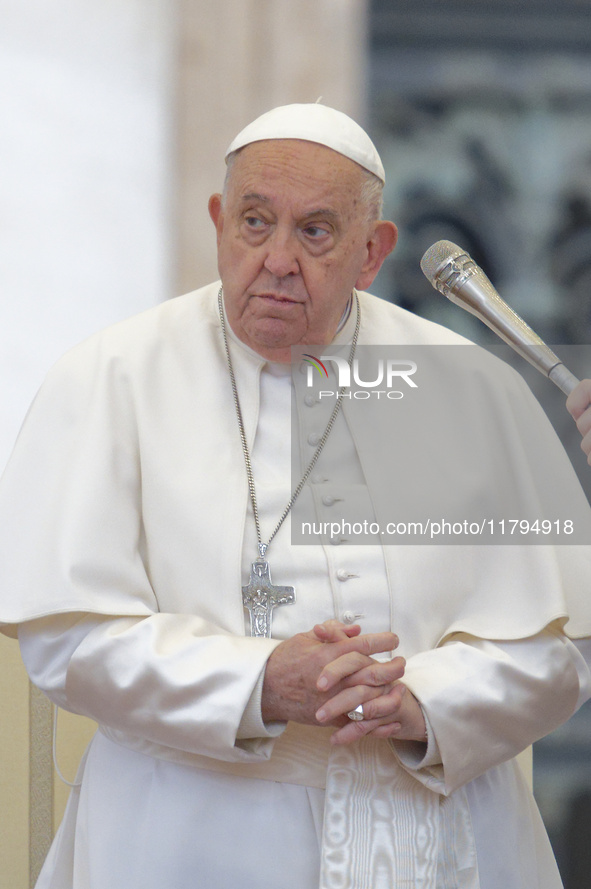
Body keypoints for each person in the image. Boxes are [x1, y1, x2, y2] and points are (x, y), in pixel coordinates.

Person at [1, 103, 591, 889]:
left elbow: (559, 649)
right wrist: (257, 681)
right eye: (254, 221)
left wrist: (426, 702)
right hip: (189, 840)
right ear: (217, 222)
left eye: (314, 231)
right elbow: (66, 639)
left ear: (372, 251)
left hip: (440, 841)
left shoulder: (476, 388)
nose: (277, 258)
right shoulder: (111, 377)